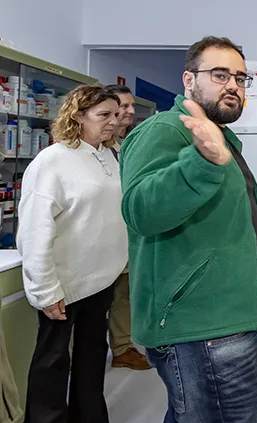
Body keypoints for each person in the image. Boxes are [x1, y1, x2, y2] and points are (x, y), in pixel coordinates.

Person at [120, 36, 257, 423]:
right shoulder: (167, 131)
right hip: (203, 332)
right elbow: (141, 209)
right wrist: (202, 162)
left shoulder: (222, 137)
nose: (233, 86)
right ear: (189, 80)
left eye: (241, 78)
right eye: (220, 75)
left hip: (220, 324)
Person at [17, 85, 128, 423]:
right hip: (62, 283)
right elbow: (33, 230)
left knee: (92, 354)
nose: (114, 122)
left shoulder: (109, 157)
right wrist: (45, 289)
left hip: (99, 278)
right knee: (52, 363)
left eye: (117, 115)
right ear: (78, 116)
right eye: (104, 115)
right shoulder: (53, 161)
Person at [104, 84, 151, 371]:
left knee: (124, 293)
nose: (130, 111)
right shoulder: (97, 148)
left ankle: (122, 348)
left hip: (127, 233)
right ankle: (75, 354)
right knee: (93, 300)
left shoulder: (126, 144)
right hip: (101, 237)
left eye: (132, 106)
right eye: (124, 105)